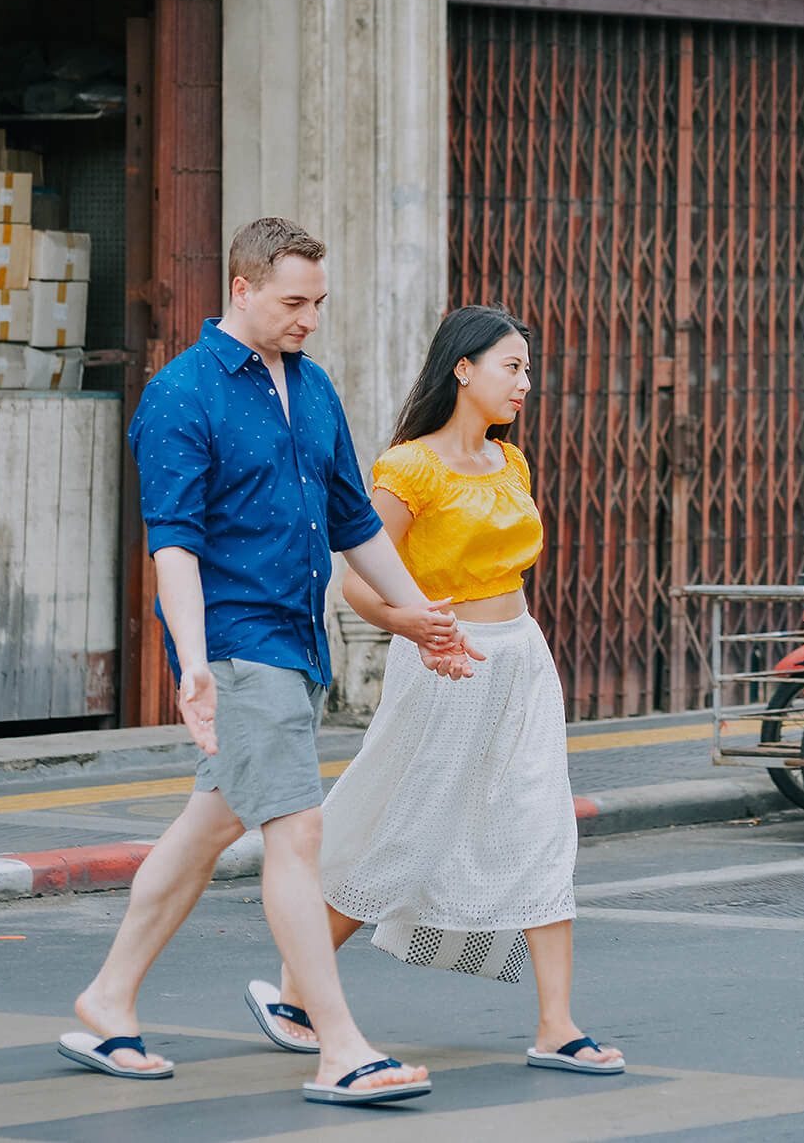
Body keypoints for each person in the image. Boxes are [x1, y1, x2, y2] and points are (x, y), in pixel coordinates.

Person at [58, 218, 482, 1106]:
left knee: (206, 829)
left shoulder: (314, 388)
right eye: (294, 302)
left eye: (319, 303)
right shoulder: (183, 395)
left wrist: (416, 616)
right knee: (297, 835)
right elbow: (172, 546)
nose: (309, 320)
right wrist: (193, 662)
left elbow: (353, 521)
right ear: (241, 289)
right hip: (241, 647)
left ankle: (106, 999)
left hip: (296, 643)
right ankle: (340, 1046)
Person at [242, 305, 624, 1076]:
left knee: (541, 824)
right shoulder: (410, 467)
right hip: (445, 663)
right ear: (463, 370)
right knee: (407, 828)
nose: (526, 382)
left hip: (521, 658)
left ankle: (557, 1025)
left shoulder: (509, 464)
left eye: (526, 368)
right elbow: (356, 584)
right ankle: (292, 988)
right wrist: (418, 629)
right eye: (511, 367)